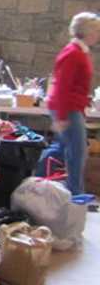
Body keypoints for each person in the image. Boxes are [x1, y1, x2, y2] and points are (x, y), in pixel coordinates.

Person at [47, 11, 100, 196]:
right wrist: (61, 116)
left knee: (66, 149)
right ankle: (74, 194)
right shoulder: (73, 53)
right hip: (67, 108)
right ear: (87, 32)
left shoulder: (80, 51)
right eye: (96, 31)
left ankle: (64, 190)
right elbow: (62, 85)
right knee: (77, 152)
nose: (98, 35)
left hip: (72, 106)